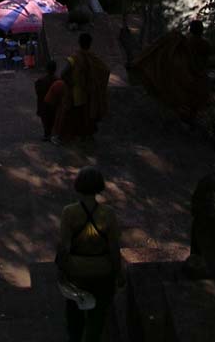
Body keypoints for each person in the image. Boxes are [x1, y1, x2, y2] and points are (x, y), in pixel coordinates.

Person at [56, 166, 124, 342]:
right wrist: (118, 272)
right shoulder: (108, 214)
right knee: (98, 315)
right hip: (102, 271)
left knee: (74, 314)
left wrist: (61, 271)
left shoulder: (69, 212)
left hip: (76, 271)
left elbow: (64, 246)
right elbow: (114, 248)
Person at [57, 33, 110, 142]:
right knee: (87, 115)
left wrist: (70, 82)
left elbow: (63, 74)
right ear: (90, 44)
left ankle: (74, 136)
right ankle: (86, 135)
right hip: (90, 92)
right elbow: (105, 71)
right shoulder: (93, 58)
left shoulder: (74, 58)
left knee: (75, 115)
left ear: (79, 43)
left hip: (76, 92)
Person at [34, 59, 58, 140]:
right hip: (54, 104)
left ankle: (47, 134)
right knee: (53, 118)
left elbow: (38, 92)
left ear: (46, 69)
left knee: (45, 120)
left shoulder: (40, 81)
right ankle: (52, 133)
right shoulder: (58, 80)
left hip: (44, 104)